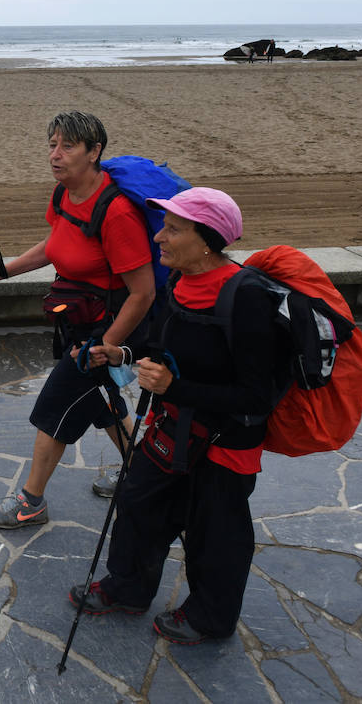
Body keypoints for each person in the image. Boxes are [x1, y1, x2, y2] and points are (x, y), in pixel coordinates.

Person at [68, 186, 286, 645]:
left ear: (206, 239)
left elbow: (256, 396)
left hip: (226, 443)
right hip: (175, 429)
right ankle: (127, 588)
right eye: (163, 228)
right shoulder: (180, 283)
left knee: (215, 534)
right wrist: (118, 353)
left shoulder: (246, 298)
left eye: (173, 230)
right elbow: (157, 346)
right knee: (137, 501)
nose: (160, 239)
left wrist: (174, 388)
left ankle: (210, 618)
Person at [0, 111, 156, 529]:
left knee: (53, 409)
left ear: (95, 152)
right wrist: (9, 270)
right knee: (101, 402)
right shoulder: (64, 194)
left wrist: (105, 347)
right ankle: (142, 473)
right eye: (52, 145)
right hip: (78, 320)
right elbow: (55, 244)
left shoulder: (115, 213)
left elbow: (144, 292)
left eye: (68, 147)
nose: (55, 156)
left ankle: (31, 501)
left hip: (105, 327)